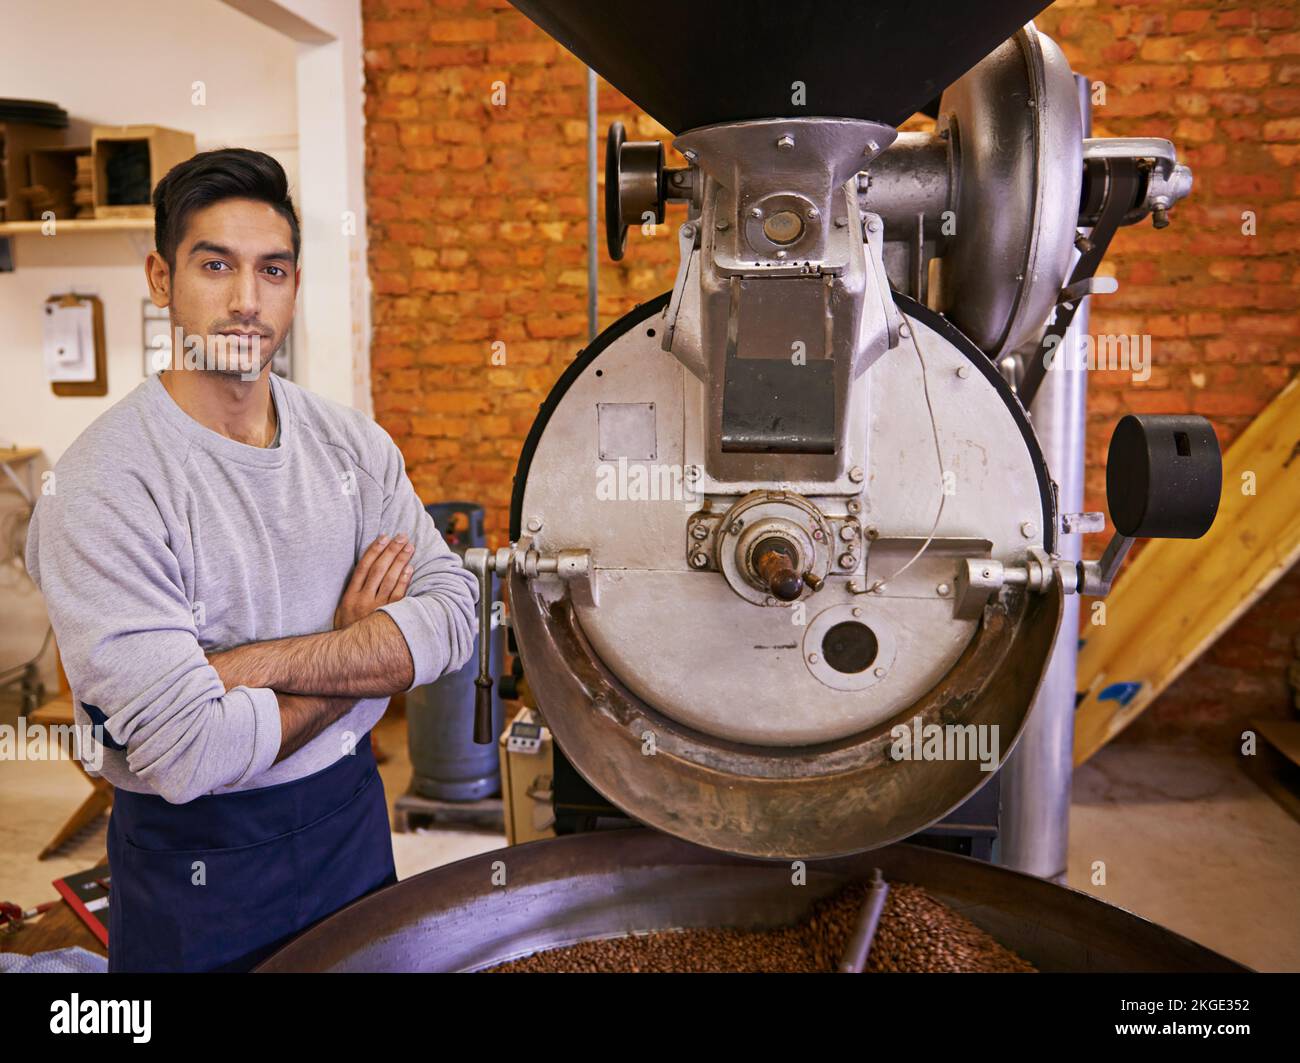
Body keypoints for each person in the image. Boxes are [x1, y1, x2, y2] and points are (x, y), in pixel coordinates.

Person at [25, 148, 478, 972]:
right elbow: (189, 750)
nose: (246, 300)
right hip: (196, 864)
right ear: (162, 279)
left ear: (295, 286)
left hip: (349, 822)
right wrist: (360, 653)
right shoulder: (102, 484)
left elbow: (453, 614)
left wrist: (237, 668)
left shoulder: (350, 444)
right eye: (214, 265)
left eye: (272, 270)